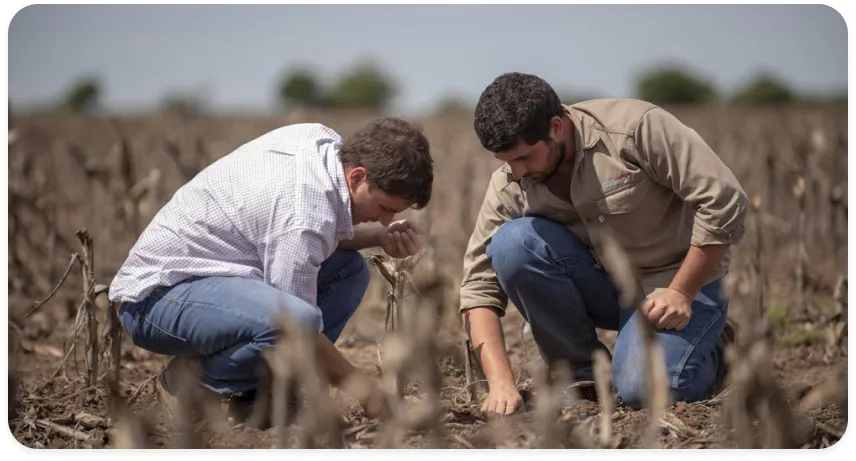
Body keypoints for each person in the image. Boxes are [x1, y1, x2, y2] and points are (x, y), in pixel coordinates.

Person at [109, 117, 433, 423]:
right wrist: (367, 391)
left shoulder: (324, 146)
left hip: (214, 275)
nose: (387, 220)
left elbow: (317, 235)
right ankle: (191, 383)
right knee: (296, 323)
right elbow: (295, 327)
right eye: (385, 209)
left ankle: (260, 392)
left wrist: (377, 237)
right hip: (156, 299)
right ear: (357, 177)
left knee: (349, 271)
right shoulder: (305, 209)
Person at [460, 72, 747, 415]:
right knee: (513, 243)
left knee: (646, 394)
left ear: (555, 126)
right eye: (507, 162)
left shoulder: (634, 128)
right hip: (604, 284)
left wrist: (682, 292)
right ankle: (582, 380)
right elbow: (478, 287)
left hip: (676, 283)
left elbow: (724, 199)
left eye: (525, 157)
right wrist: (501, 383)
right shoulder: (509, 180)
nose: (517, 172)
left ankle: (720, 347)